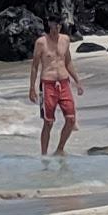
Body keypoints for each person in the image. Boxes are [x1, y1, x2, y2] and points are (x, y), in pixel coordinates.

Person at [29, 17, 85, 155]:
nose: (57, 28)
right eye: (55, 25)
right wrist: (32, 88)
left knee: (71, 120)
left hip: (64, 83)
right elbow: (35, 67)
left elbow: (68, 62)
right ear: (49, 24)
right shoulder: (41, 43)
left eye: (59, 25)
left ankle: (60, 149)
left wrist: (77, 81)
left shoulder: (65, 40)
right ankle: (44, 155)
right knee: (48, 122)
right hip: (48, 85)